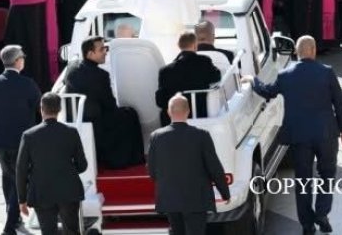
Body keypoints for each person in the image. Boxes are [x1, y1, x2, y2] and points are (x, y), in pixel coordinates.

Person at [244, 36, 342, 235]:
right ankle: (322, 213)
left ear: (297, 53)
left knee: (303, 181)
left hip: (299, 136)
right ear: (314, 50)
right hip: (326, 134)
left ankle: (307, 225)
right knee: (327, 175)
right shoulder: (327, 73)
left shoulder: (285, 75)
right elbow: (340, 105)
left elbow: (268, 92)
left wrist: (253, 81)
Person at [147, 94, 231, 235]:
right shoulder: (202, 135)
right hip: (196, 199)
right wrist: (225, 193)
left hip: (170, 199)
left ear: (168, 112)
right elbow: (214, 167)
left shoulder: (156, 136)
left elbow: (151, 170)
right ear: (188, 112)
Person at [0, 45, 41, 235]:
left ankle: (12, 217)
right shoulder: (28, 83)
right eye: (22, 57)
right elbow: (40, 109)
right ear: (17, 61)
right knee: (21, 180)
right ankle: (9, 224)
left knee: (8, 178)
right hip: (22, 142)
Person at [64, 37, 144, 169]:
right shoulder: (100, 75)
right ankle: (128, 159)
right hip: (98, 121)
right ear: (90, 54)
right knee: (130, 114)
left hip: (77, 117)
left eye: (105, 48)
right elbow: (110, 104)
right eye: (101, 49)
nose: (106, 52)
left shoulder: (72, 68)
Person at [16, 92, 88, 235]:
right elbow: (82, 165)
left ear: (41, 109)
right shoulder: (71, 132)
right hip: (69, 190)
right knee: (72, 231)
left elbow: (21, 169)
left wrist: (22, 199)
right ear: (59, 109)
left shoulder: (29, 135)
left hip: (42, 192)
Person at [155, 32, 221, 126]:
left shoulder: (165, 71)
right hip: (200, 115)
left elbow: (160, 101)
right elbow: (217, 77)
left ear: (179, 46)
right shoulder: (204, 61)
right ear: (195, 45)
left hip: (173, 120)